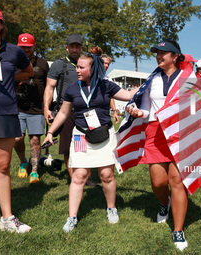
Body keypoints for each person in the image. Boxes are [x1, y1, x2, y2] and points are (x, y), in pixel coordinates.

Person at [124, 39, 201, 251]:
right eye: (157, 52)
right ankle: (164, 204)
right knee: (158, 182)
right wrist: (138, 113)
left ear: (175, 57)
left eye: (164, 52)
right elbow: (146, 108)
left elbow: (198, 105)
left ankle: (178, 229)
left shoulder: (188, 76)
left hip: (180, 132)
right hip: (155, 132)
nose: (159, 55)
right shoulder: (152, 79)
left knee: (177, 181)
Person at [42, 53, 138, 232]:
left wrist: (148, 84)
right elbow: (63, 113)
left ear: (92, 69)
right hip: (80, 136)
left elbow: (128, 95)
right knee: (78, 176)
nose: (77, 70)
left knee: (107, 175)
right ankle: (72, 217)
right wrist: (50, 132)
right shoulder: (72, 89)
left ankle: (111, 208)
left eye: (81, 67)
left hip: (105, 136)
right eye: (77, 66)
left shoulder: (106, 85)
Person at [0, 5, 33, 233]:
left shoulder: (14, 51)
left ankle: (7, 219)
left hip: (6, 112)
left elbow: (29, 72)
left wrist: (11, 78)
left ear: (1, 25)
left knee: (3, 167)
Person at [44, 35, 99, 187]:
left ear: (82, 48)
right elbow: (49, 87)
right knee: (69, 147)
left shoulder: (89, 64)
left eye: (77, 46)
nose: (75, 49)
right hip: (66, 111)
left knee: (85, 145)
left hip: (86, 111)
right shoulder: (58, 65)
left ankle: (86, 177)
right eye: (72, 46)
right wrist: (46, 108)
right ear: (67, 47)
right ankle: (75, 179)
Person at [14, 33, 49, 184]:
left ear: (34, 46)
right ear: (18, 47)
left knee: (35, 140)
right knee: (17, 138)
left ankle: (34, 171)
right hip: (17, 107)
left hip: (37, 109)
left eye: (28, 47)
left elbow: (49, 86)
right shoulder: (14, 62)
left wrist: (47, 107)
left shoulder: (42, 63)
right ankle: (23, 162)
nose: (26, 50)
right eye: (23, 47)